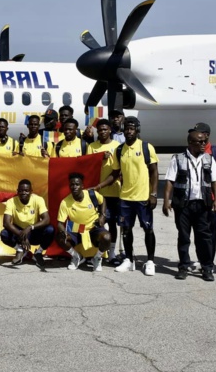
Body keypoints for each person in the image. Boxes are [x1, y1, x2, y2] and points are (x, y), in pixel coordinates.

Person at [94, 117, 159, 275]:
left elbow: (154, 171)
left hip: (143, 197)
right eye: (127, 128)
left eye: (132, 128)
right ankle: (129, 260)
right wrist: (100, 185)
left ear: (137, 130)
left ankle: (150, 261)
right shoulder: (120, 149)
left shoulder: (146, 147)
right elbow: (115, 173)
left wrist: (153, 194)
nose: (129, 131)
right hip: (125, 198)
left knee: (148, 229)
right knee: (126, 230)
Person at [162, 131, 216, 281]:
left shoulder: (209, 159)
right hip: (183, 206)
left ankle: (207, 268)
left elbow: (215, 180)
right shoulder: (178, 159)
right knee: (183, 237)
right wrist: (166, 201)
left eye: (204, 141)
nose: (204, 144)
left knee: (204, 237)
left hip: (202, 205)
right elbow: (170, 180)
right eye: (200, 142)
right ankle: (183, 266)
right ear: (190, 143)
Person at [187, 122, 216, 272]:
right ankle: (201, 260)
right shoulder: (193, 150)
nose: (197, 137)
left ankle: (209, 263)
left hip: (211, 200)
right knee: (199, 232)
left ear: (207, 135)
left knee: (210, 233)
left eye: (200, 134)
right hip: (196, 200)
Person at [56, 173, 111, 272]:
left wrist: (103, 215)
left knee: (107, 237)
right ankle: (77, 256)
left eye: (77, 184)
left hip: (93, 227)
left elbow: (103, 200)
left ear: (82, 186)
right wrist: (63, 231)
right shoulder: (65, 202)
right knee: (60, 238)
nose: (74, 187)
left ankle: (97, 258)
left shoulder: (91, 194)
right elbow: (60, 223)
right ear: (69, 186)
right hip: (77, 228)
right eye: (72, 184)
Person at [87, 118, 122, 264]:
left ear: (110, 131)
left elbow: (120, 170)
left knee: (112, 224)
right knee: (97, 223)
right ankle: (98, 253)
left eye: (105, 129)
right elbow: (88, 165)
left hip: (113, 191)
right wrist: (99, 158)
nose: (102, 132)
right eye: (100, 130)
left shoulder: (118, 146)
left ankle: (112, 253)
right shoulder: (92, 146)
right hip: (97, 193)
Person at [1, 179, 54, 270]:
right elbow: (6, 223)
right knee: (4, 234)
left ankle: (38, 253)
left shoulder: (38, 199)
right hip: (19, 232)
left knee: (50, 230)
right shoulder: (11, 201)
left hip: (33, 232)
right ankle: (20, 250)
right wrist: (22, 235)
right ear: (17, 191)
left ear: (31, 191)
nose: (23, 193)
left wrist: (30, 227)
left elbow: (46, 219)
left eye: (26, 190)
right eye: (21, 190)